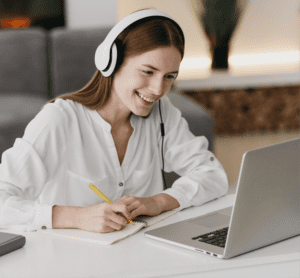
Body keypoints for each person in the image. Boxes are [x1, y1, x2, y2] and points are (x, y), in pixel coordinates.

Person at [0, 9, 228, 233]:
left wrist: (159, 201)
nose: (159, 89)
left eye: (169, 77)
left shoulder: (162, 113)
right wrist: (78, 217)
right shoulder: (59, 119)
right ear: (111, 61)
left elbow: (212, 175)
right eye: (148, 71)